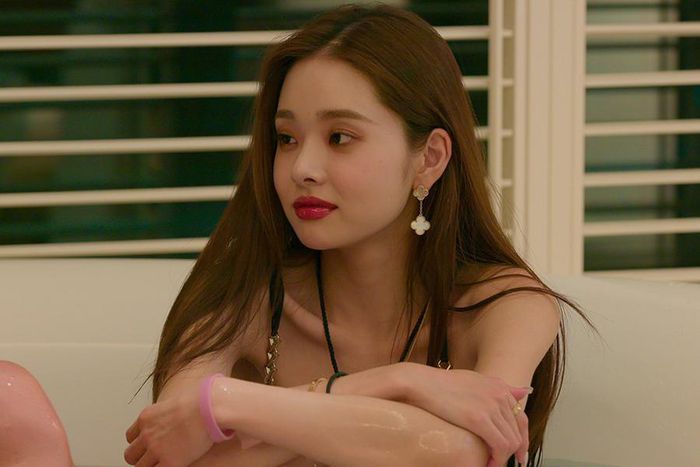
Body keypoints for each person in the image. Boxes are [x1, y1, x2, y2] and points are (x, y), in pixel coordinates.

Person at [124, 3, 594, 467]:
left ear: (429, 158)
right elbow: (170, 451)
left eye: (340, 137)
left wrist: (228, 405)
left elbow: (461, 453)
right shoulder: (243, 298)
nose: (302, 168)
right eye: (287, 138)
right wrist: (399, 382)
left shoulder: (505, 307)